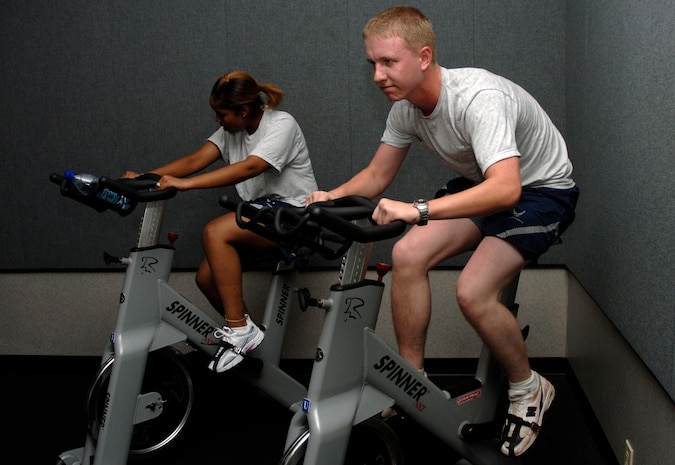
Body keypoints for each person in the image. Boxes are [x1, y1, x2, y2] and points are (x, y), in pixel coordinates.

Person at [306, 6, 579, 458]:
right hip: (484, 184)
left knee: (473, 292)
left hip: (540, 190)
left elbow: (507, 190)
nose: (377, 75)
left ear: (424, 57)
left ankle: (529, 388)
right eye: (371, 63)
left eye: (388, 62)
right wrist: (328, 196)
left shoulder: (477, 97)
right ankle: (415, 383)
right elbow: (376, 178)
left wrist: (420, 209)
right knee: (407, 255)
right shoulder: (406, 109)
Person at [123, 71, 318, 373]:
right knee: (206, 279)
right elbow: (193, 161)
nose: (217, 120)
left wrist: (186, 185)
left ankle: (239, 328)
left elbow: (250, 167)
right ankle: (251, 338)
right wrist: (146, 179)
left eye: (221, 113)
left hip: (293, 216)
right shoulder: (231, 131)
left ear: (243, 110)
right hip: (261, 214)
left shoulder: (281, 124)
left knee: (215, 231)